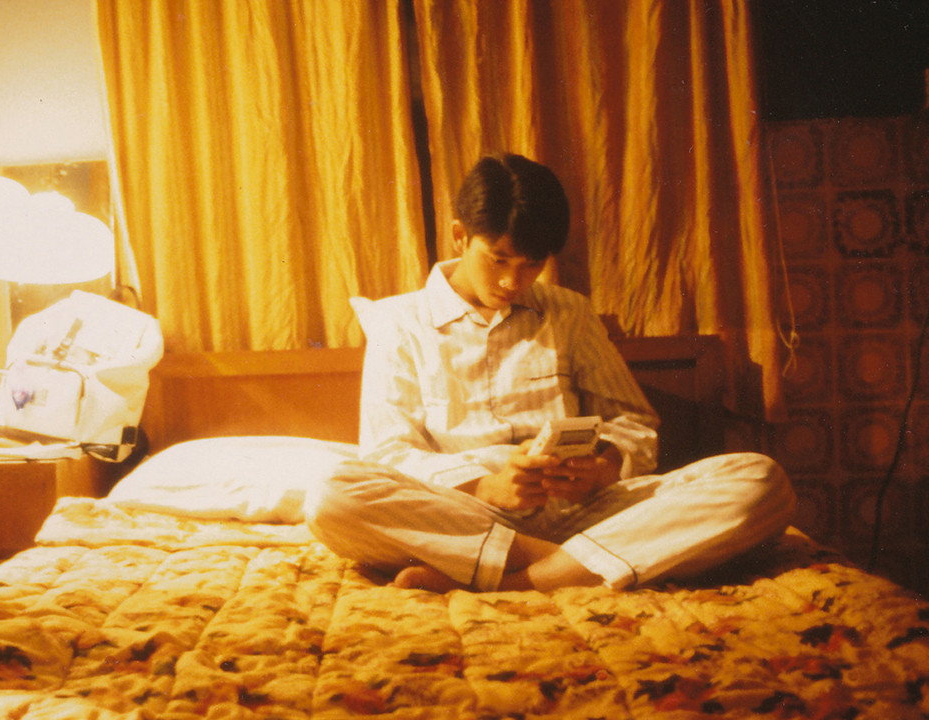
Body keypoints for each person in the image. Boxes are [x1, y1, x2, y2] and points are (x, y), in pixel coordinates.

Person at [307, 154, 795, 593]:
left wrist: (602, 469)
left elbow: (635, 424)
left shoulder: (568, 312)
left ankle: (519, 580)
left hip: (588, 513)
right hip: (464, 515)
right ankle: (575, 567)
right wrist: (486, 486)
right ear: (459, 235)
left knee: (759, 479)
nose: (511, 282)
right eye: (498, 259)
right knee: (331, 495)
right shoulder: (399, 322)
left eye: (531, 265)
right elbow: (389, 453)